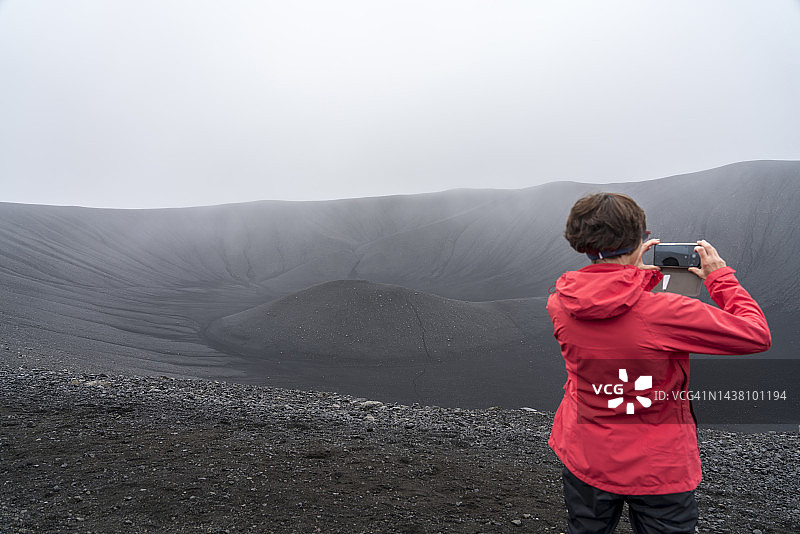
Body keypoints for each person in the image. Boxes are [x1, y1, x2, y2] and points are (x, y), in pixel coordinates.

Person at [546, 192, 771, 534]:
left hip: (585, 451)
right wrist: (719, 277)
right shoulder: (667, 313)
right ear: (641, 241)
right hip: (656, 465)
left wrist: (632, 275)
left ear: (580, 243)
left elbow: (611, 309)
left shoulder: (560, 302)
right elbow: (756, 334)